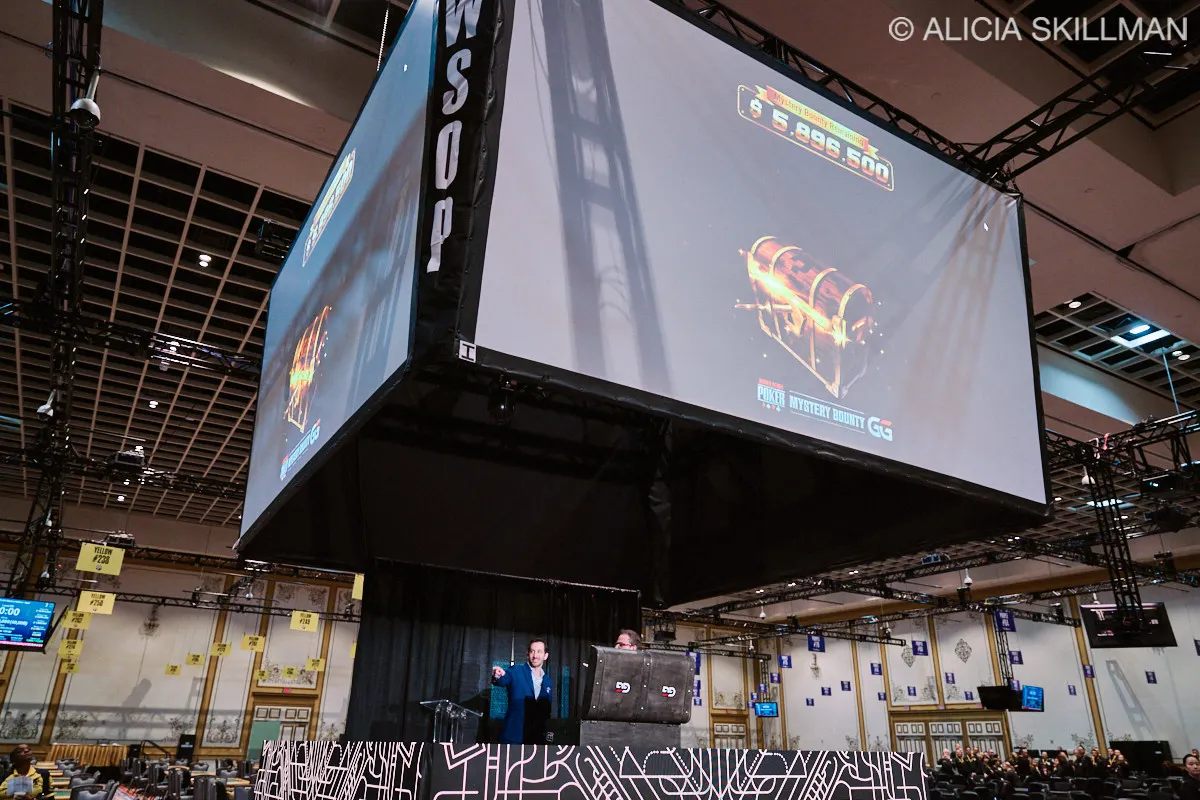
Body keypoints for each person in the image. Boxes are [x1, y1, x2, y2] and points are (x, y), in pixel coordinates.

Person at [492, 638, 552, 745]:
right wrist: (498, 675)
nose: (535, 655)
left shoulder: (548, 680)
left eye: (539, 651)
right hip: (514, 737)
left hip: (536, 740)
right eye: (532, 651)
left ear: (545, 656)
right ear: (527, 654)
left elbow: (546, 711)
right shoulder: (516, 670)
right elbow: (504, 679)